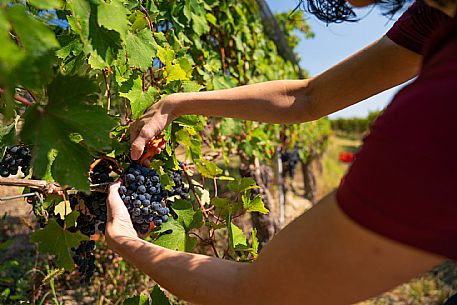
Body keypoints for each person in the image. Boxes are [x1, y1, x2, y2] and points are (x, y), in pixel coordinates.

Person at [105, 0, 457, 303]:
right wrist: (174, 104)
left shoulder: (435, 115)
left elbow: (260, 293)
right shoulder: (435, 14)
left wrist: (125, 240)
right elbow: (307, 97)